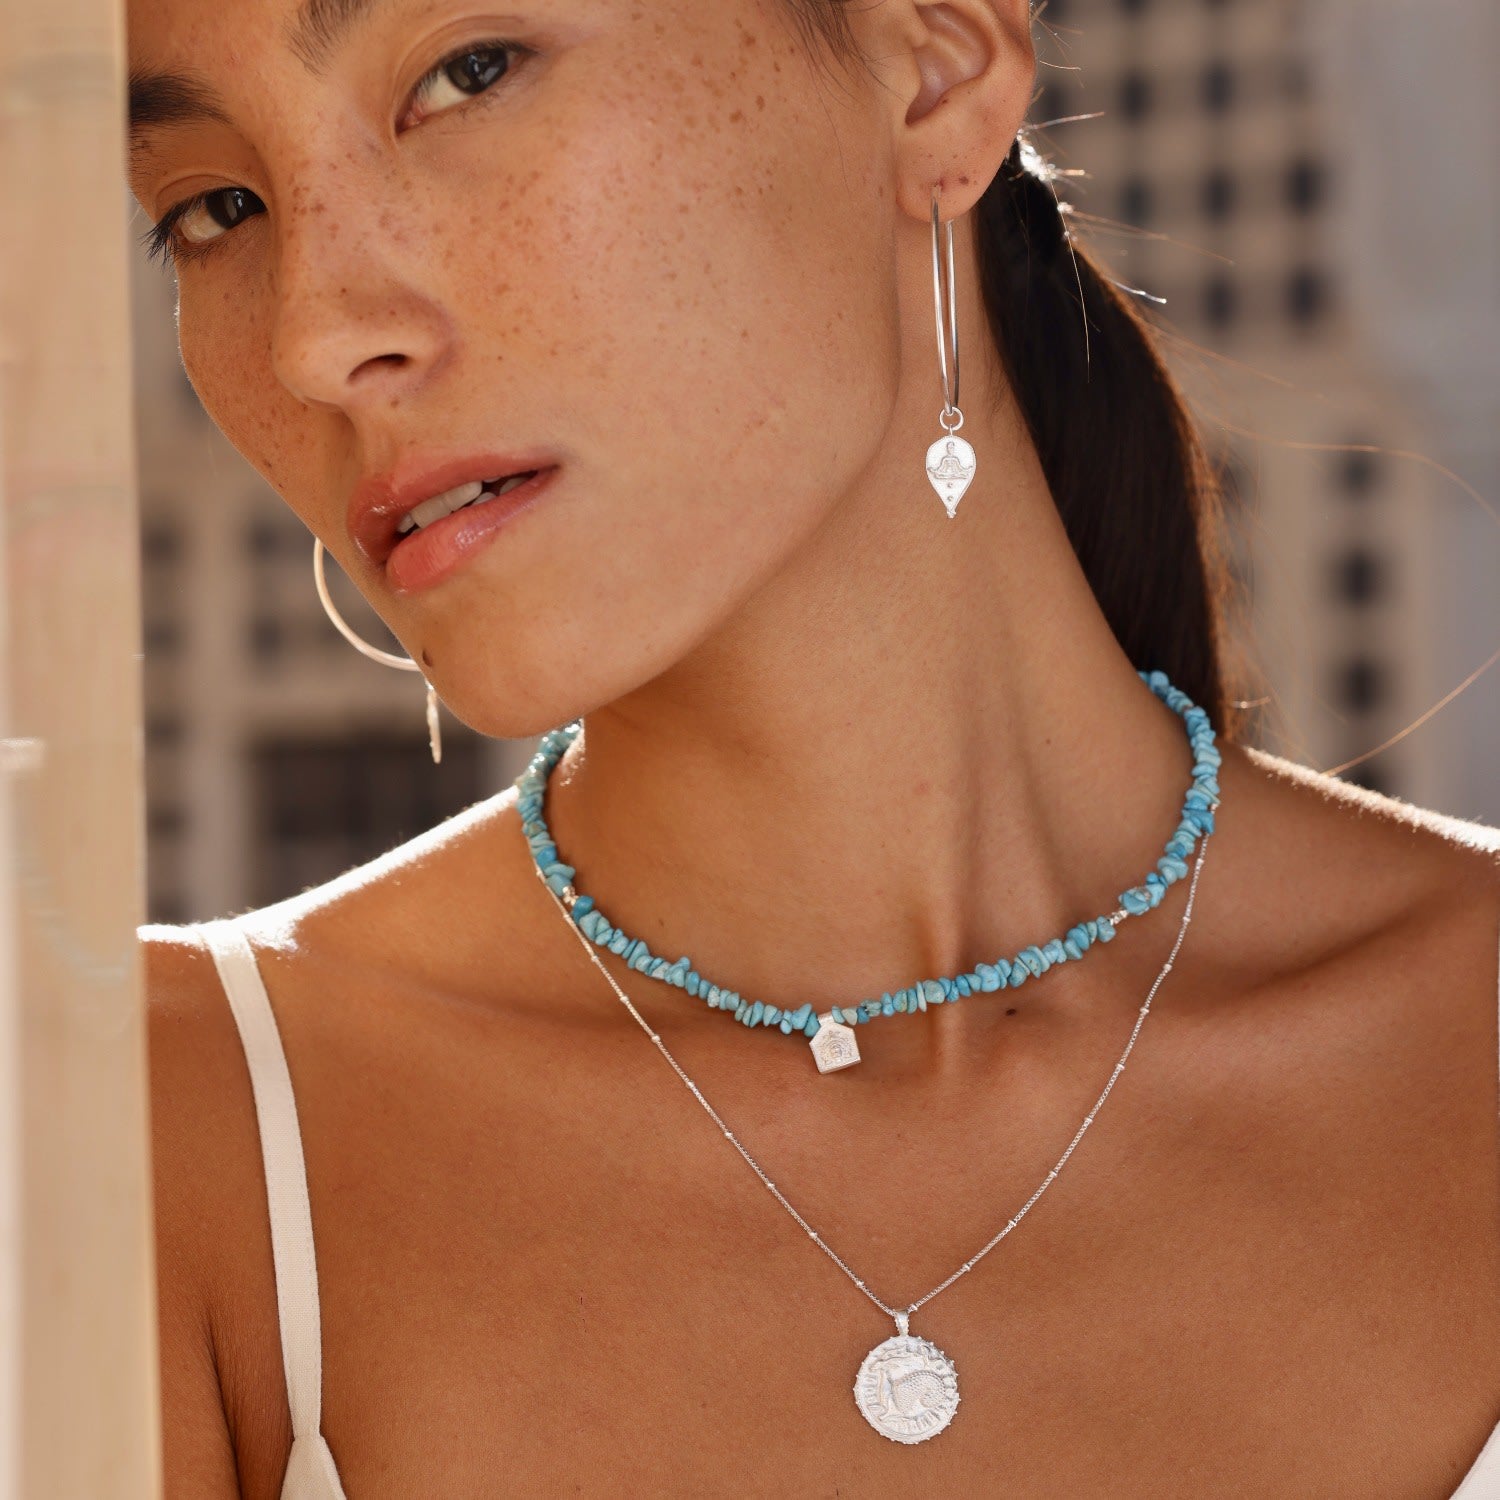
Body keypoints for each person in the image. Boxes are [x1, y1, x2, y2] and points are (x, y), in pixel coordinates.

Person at [127, 0, 1500, 1494]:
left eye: (468, 73)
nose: (316, 337)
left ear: (935, 63)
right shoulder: (150, 1135)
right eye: (215, 209)